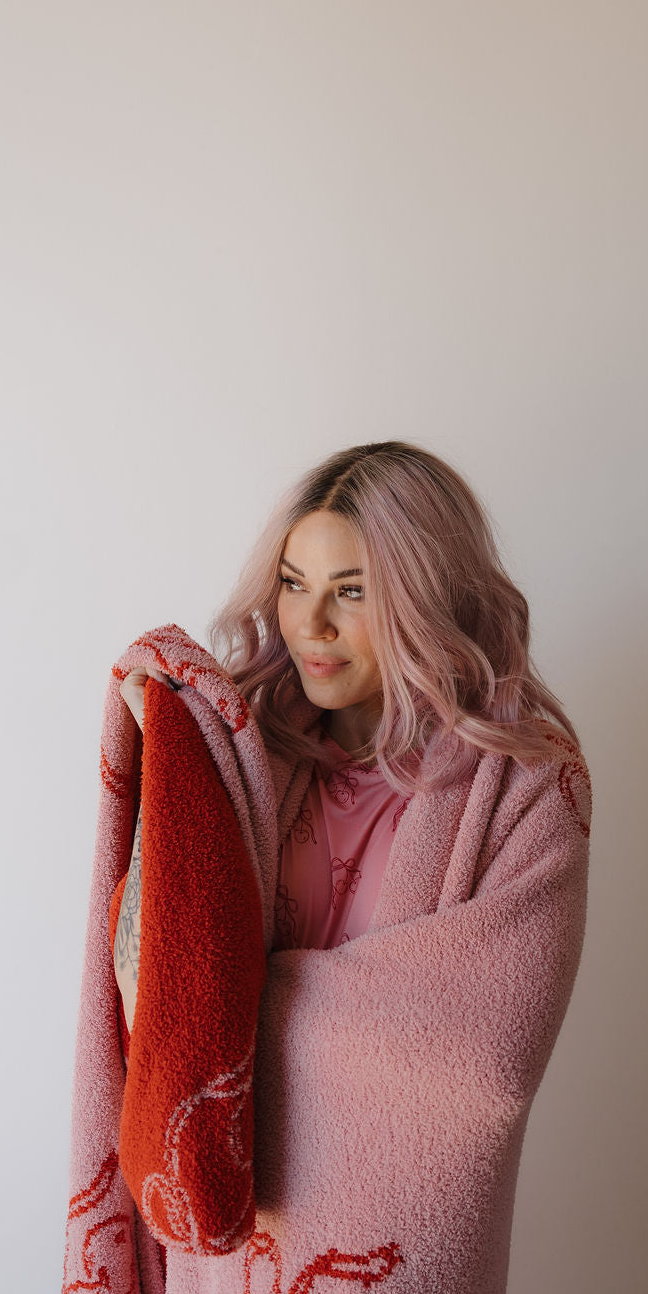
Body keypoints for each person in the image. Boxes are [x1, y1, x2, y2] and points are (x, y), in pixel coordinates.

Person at [112, 439, 582, 1028]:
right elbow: (151, 1004)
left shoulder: (528, 786)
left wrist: (241, 997)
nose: (311, 625)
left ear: (430, 597)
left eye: (352, 591)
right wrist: (171, 759)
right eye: (294, 584)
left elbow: (477, 1042)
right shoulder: (245, 756)